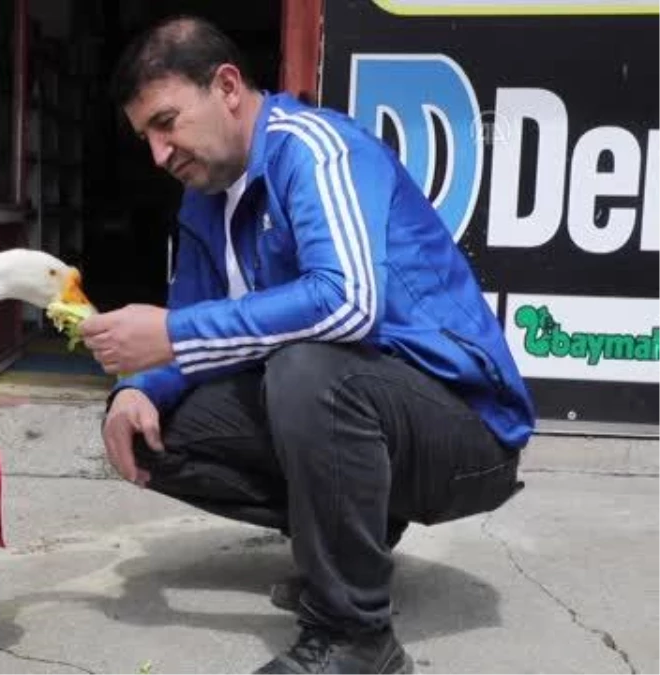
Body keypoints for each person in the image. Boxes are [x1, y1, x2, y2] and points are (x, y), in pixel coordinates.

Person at [79, 15, 535, 675]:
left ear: (228, 87)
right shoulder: (203, 201)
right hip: (373, 417)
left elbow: (348, 302)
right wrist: (134, 390)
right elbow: (194, 327)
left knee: (308, 369)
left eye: (167, 122)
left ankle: (356, 636)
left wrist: (172, 334)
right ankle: (351, 550)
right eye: (145, 136)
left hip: (468, 436)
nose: (158, 153)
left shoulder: (313, 150)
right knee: (161, 428)